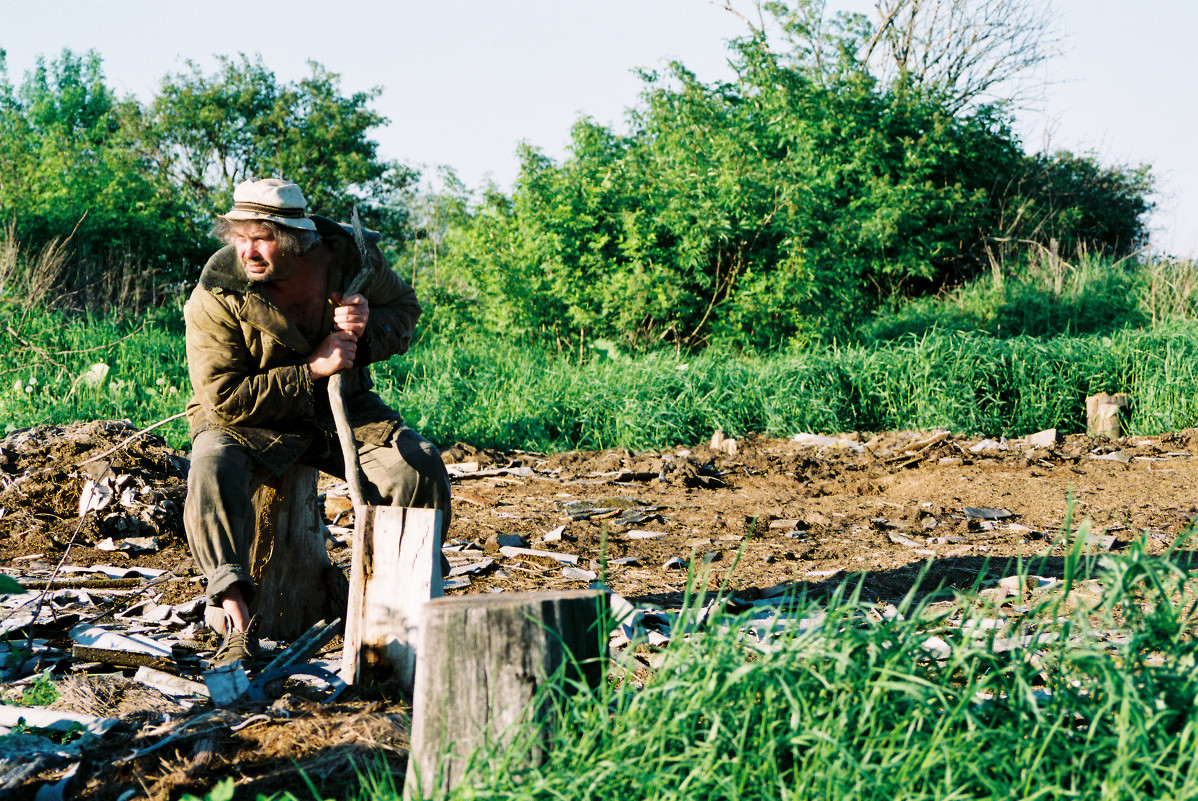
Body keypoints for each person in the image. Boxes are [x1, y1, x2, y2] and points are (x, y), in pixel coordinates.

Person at [182, 177, 451, 667]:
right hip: (251, 419)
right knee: (210, 470)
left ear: (294, 238)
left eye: (260, 236)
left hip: (341, 411)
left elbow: (404, 309)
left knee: (417, 466)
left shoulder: (347, 259)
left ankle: (404, 610)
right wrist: (312, 368)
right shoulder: (216, 293)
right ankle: (236, 625)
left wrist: (366, 331)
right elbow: (224, 399)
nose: (247, 248)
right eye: (239, 234)